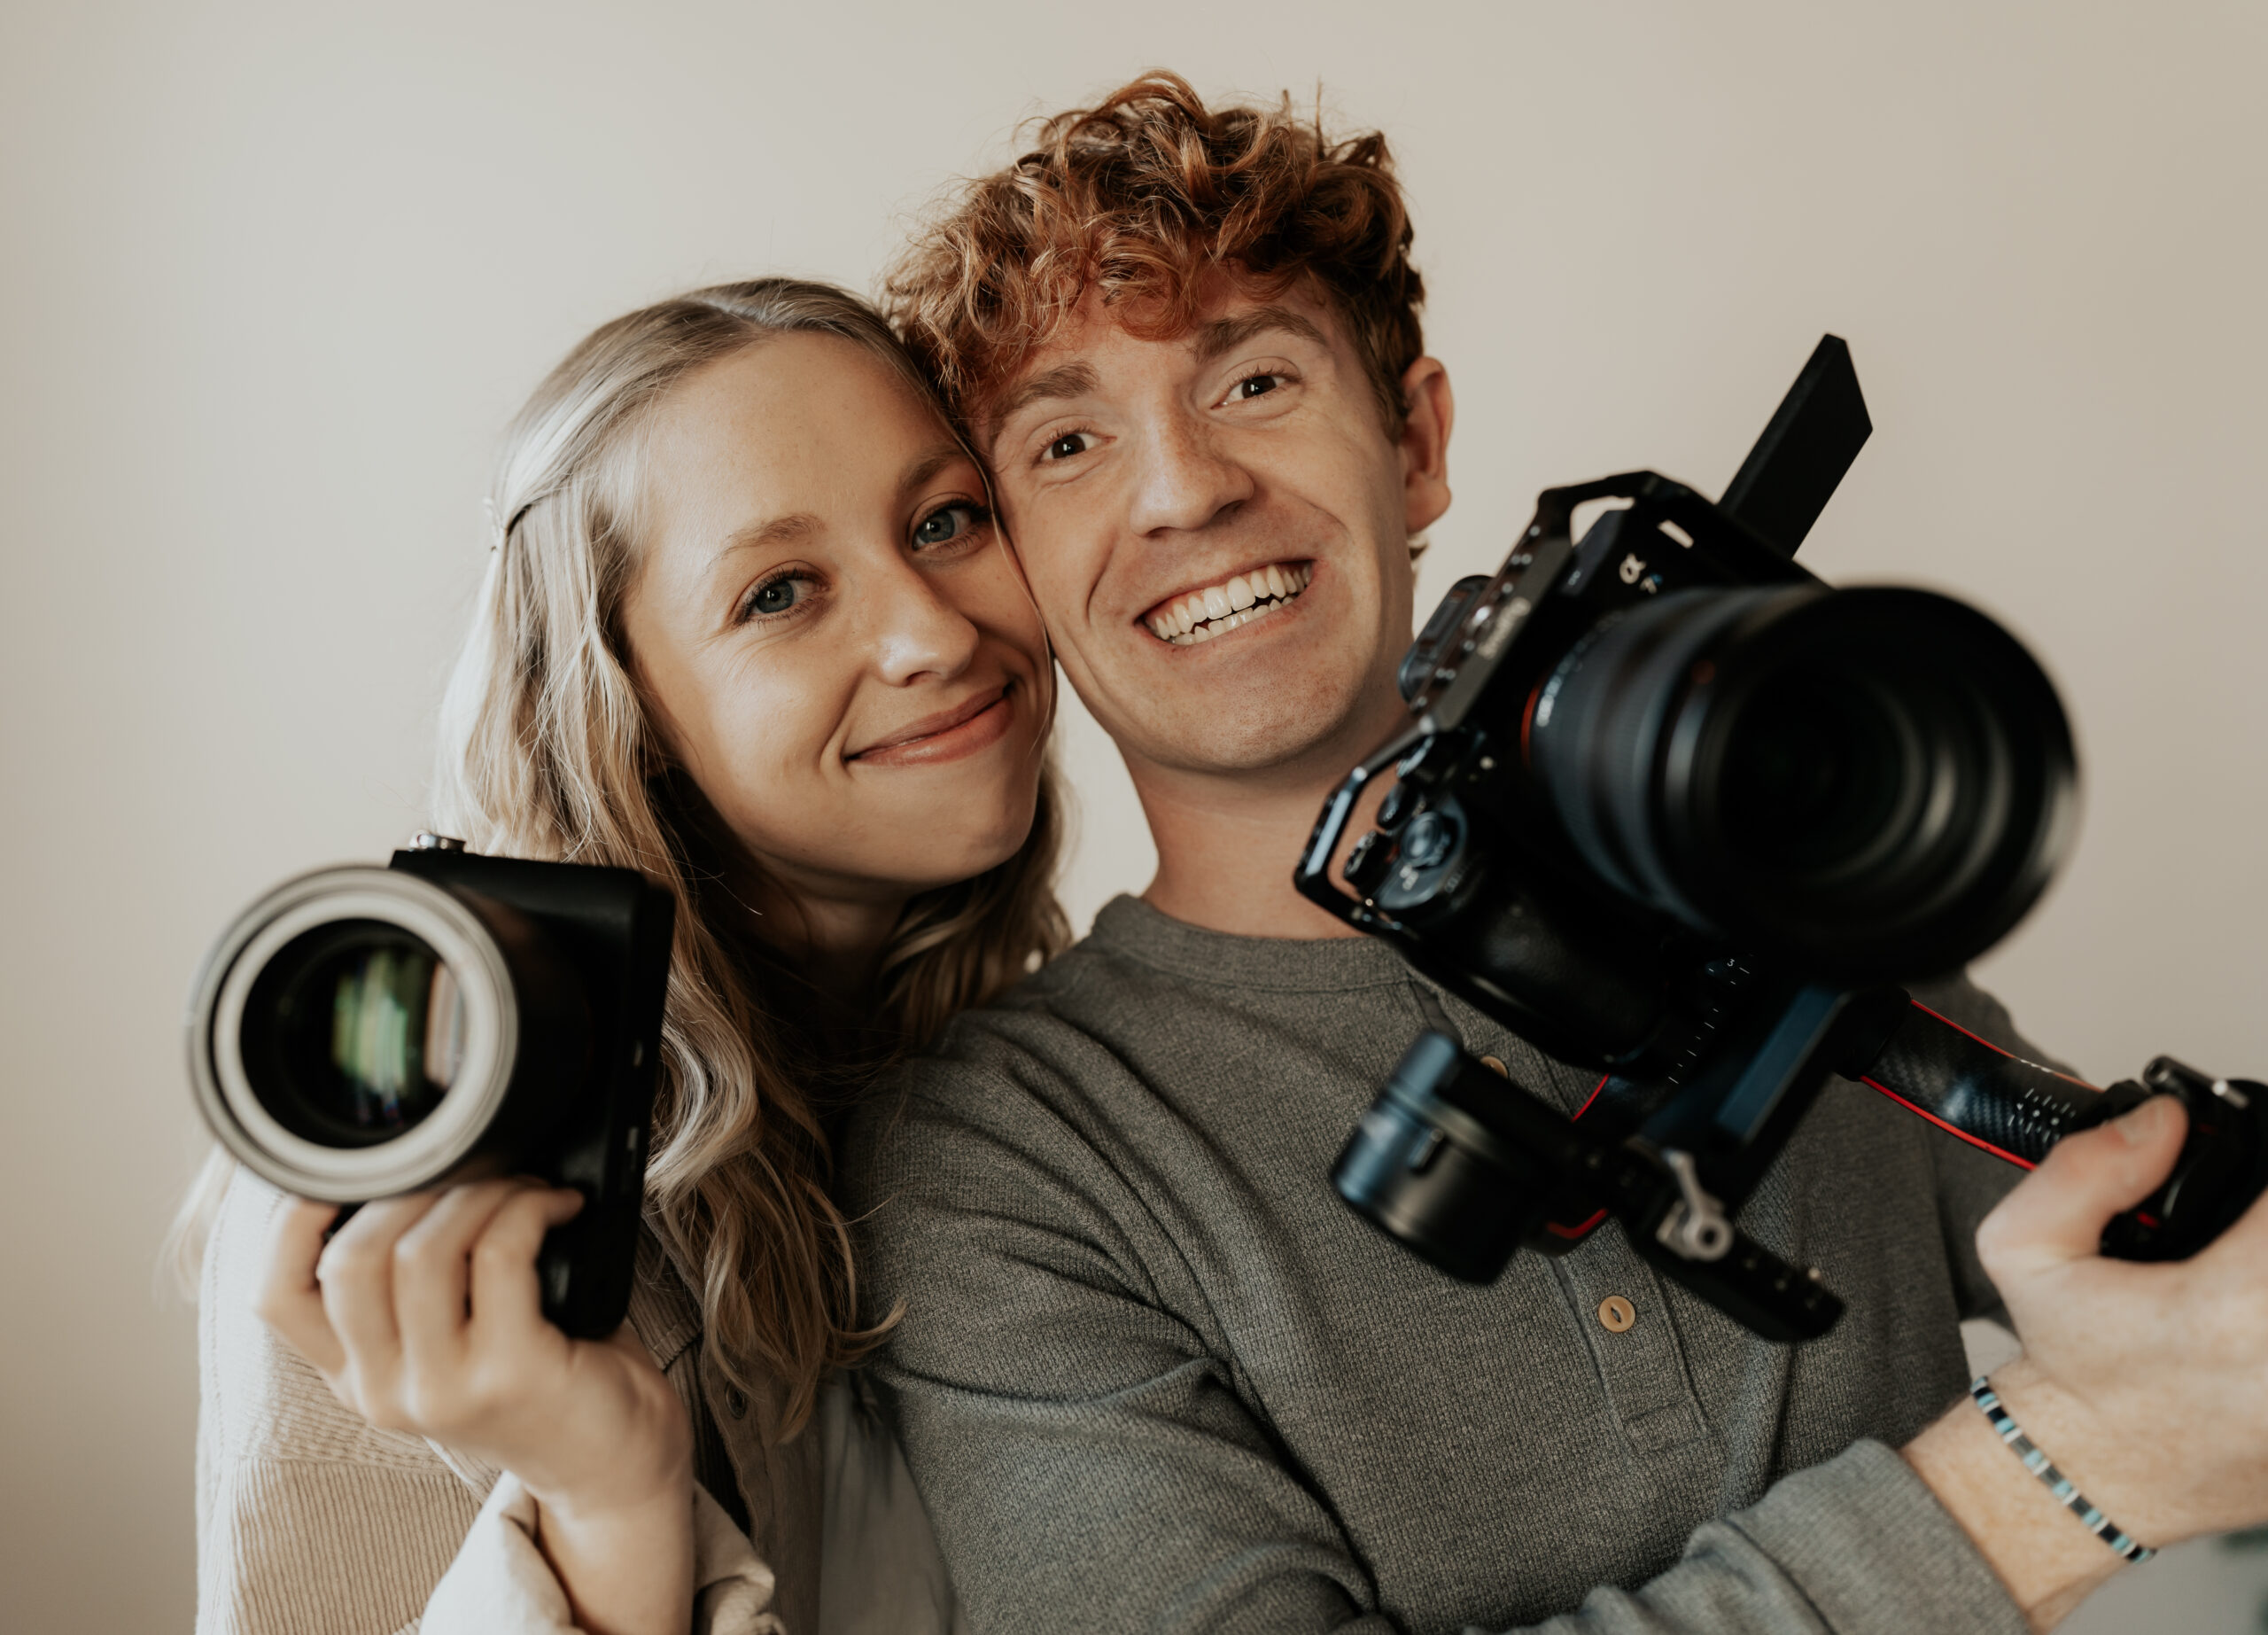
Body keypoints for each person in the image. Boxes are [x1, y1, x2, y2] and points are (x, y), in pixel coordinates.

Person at [843, 73, 2268, 1634]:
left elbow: (2160, 1275)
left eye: (1252, 381)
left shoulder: (1740, 851)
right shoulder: (1007, 1157)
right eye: (1066, 444)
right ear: (1006, 565)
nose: (1186, 488)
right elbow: (2123, 1428)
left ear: (1418, 440)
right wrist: (2068, 1467)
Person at [183, 278, 1066, 1635]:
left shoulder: (1020, 1074)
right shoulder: (409, 1163)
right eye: (781, 592)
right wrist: (608, 1499)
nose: (934, 633)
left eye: (943, 520)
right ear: (621, 711)